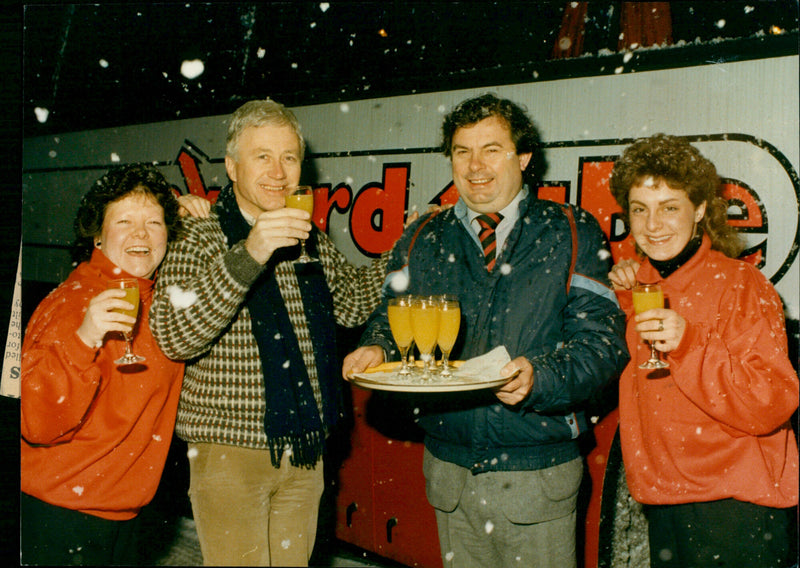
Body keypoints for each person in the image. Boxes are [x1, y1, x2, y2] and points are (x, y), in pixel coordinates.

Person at [342, 93, 630, 568]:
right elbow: (391, 319)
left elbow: (602, 344)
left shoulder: (571, 230)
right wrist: (375, 346)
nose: (476, 166)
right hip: (450, 473)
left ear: (523, 157)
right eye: (462, 151)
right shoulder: (422, 238)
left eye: (492, 149)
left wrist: (541, 377)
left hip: (536, 477)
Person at [149, 98, 390, 567]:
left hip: (303, 447)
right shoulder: (196, 235)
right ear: (232, 166)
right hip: (229, 453)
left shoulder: (307, 238)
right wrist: (251, 251)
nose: (279, 172)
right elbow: (175, 335)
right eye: (262, 156)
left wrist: (408, 250)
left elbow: (353, 302)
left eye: (289, 157)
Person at [607, 133, 799, 568]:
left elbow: (772, 401)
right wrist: (629, 291)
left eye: (669, 208)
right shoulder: (647, 286)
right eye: (640, 210)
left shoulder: (742, 285)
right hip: (666, 498)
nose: (653, 225)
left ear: (699, 210)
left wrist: (690, 344)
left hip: (731, 508)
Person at [20, 163, 193, 565]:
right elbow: (35, 421)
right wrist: (85, 338)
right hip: (63, 517)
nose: (141, 234)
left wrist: (193, 210)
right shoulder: (74, 302)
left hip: (121, 514)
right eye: (124, 221)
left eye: (154, 222)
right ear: (97, 234)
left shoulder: (156, 299)